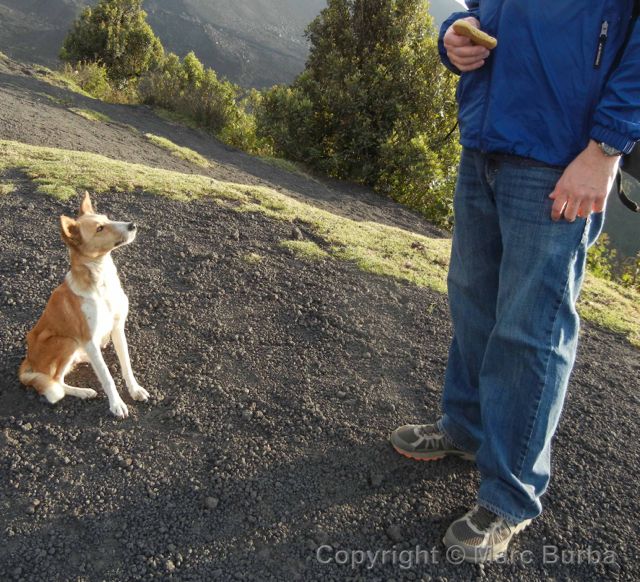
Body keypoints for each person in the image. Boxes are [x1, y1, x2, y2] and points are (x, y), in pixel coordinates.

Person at [390, 0, 640, 563]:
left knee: (531, 332)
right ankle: (464, 428)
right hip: (485, 139)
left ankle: (510, 495)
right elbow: (477, 10)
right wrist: (451, 39)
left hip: (563, 154)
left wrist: (606, 150)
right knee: (472, 300)